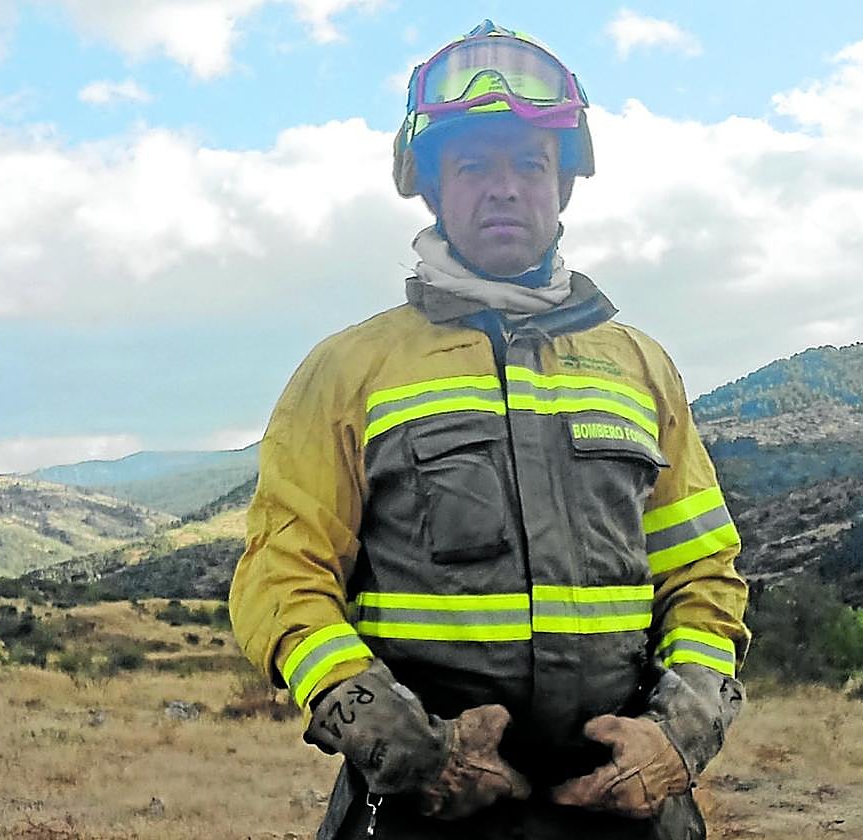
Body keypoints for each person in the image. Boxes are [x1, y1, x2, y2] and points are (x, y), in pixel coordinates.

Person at [230, 20, 749, 840]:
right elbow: (280, 582)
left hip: (632, 810)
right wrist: (402, 746)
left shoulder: (641, 367)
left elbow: (704, 576)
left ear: (563, 184)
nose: (504, 187)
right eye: (473, 166)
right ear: (432, 189)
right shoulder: (347, 370)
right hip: (419, 812)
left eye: (529, 164)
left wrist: (677, 737)